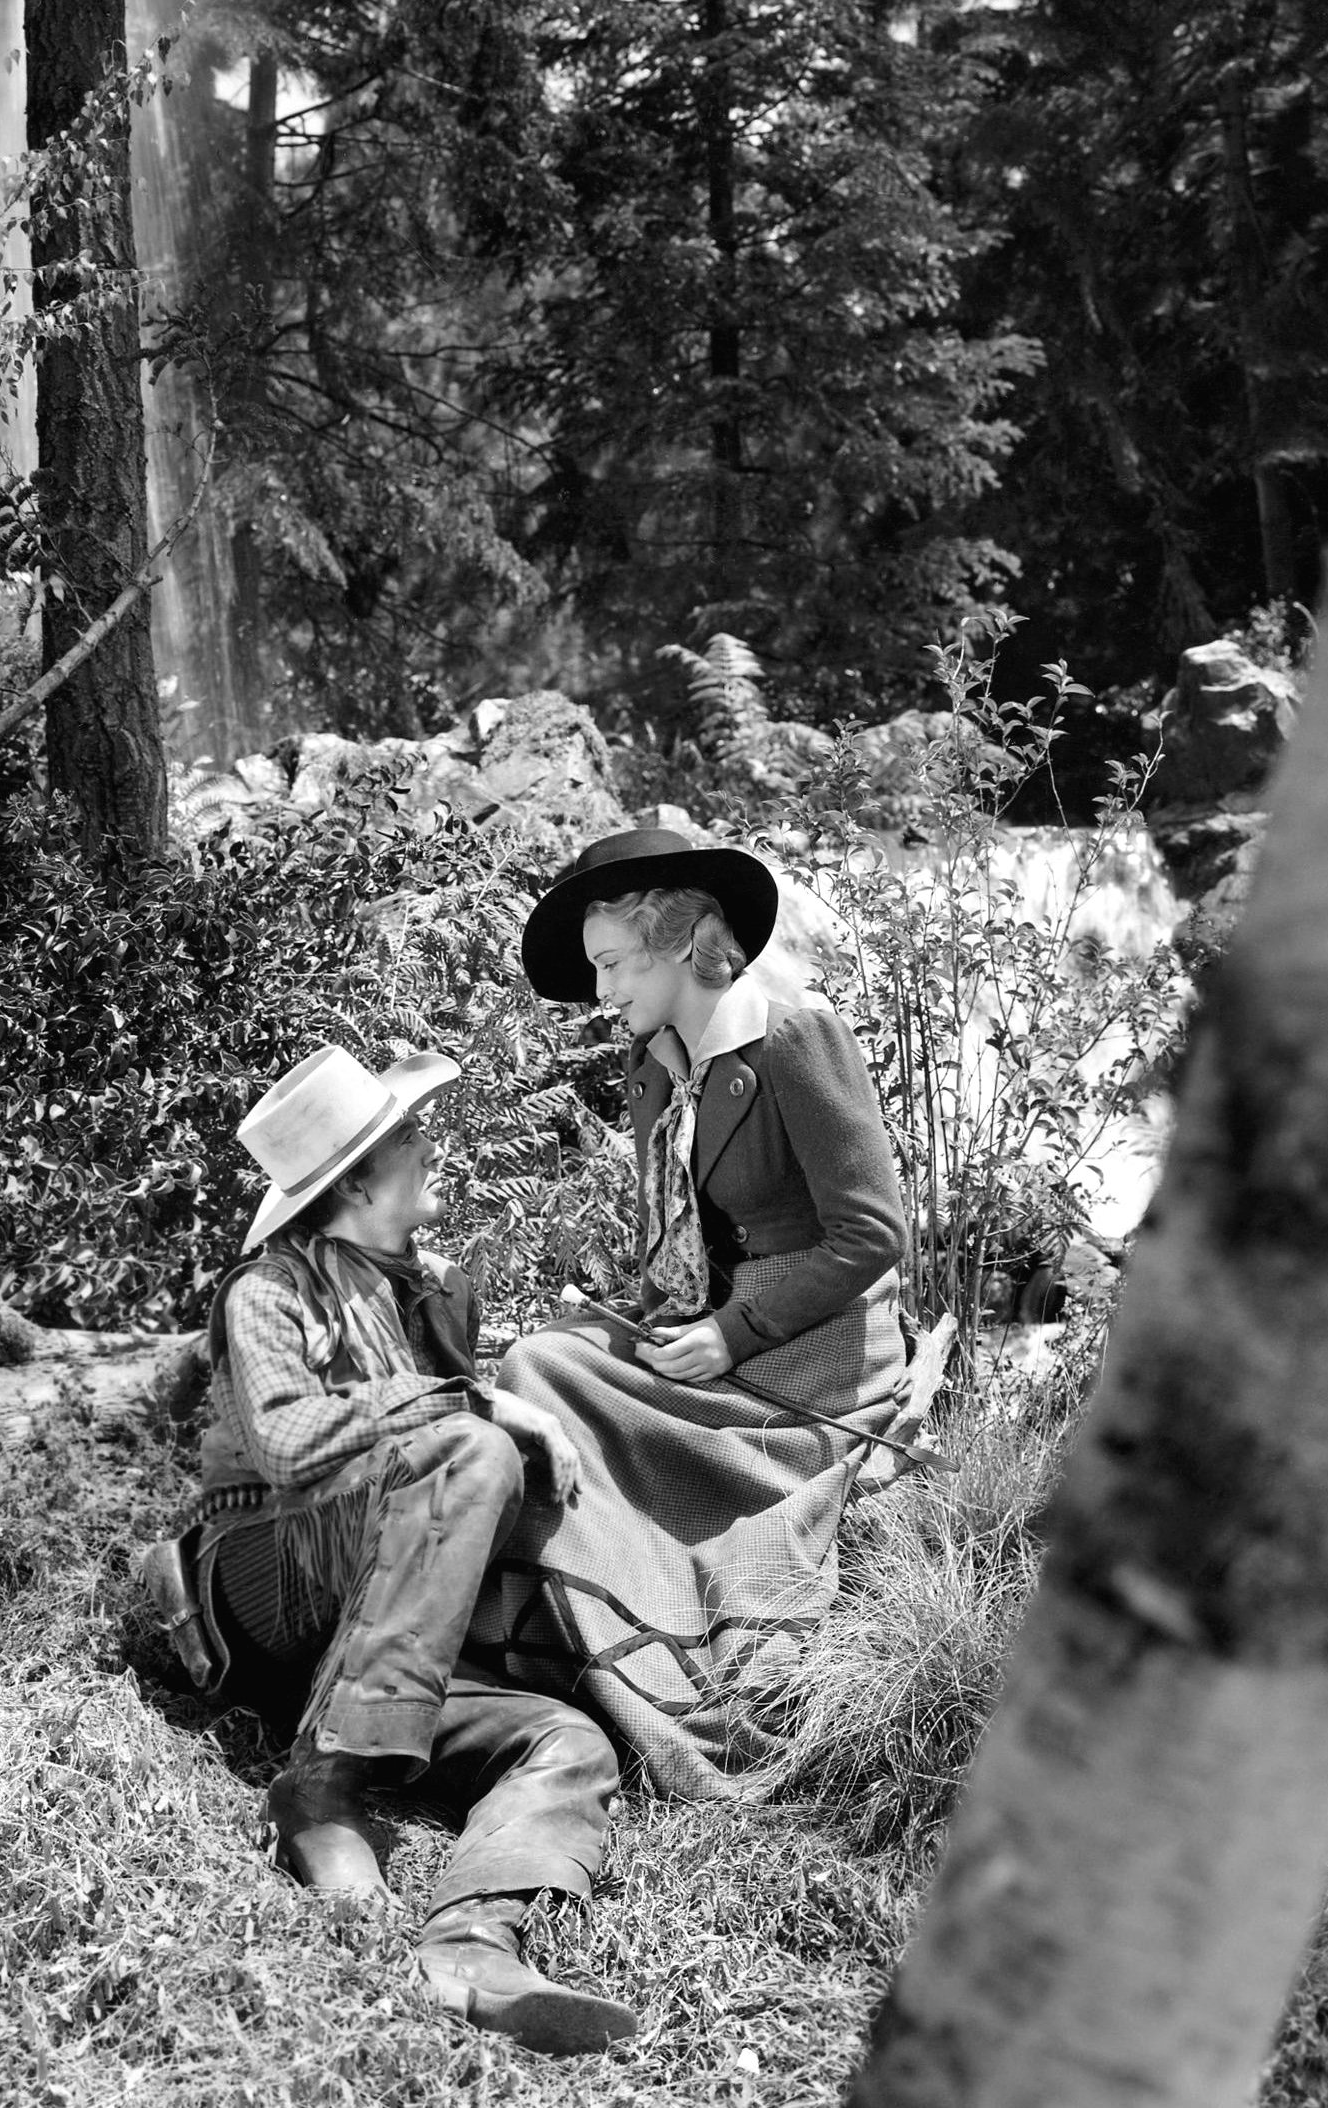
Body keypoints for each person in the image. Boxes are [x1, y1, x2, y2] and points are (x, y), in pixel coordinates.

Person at [136, 1042, 639, 2056]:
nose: (432, 1148)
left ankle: (471, 1945)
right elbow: (287, 1443)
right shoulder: (266, 1292)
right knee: (473, 1449)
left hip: (382, 1638)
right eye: (411, 1136)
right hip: (271, 1587)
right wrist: (468, 1400)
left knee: (571, 1743)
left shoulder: (433, 1294)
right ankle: (320, 1787)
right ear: (358, 1183)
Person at [468, 825, 910, 1798]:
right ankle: (574, 1621)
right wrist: (656, 1317)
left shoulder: (795, 1037)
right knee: (537, 1360)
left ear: (677, 941)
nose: (601, 992)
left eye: (612, 963)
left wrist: (731, 1333)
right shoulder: (656, 1068)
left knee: (541, 1370)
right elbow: (677, 1235)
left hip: (814, 1342)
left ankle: (640, 1653)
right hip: (710, 1318)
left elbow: (872, 1234)